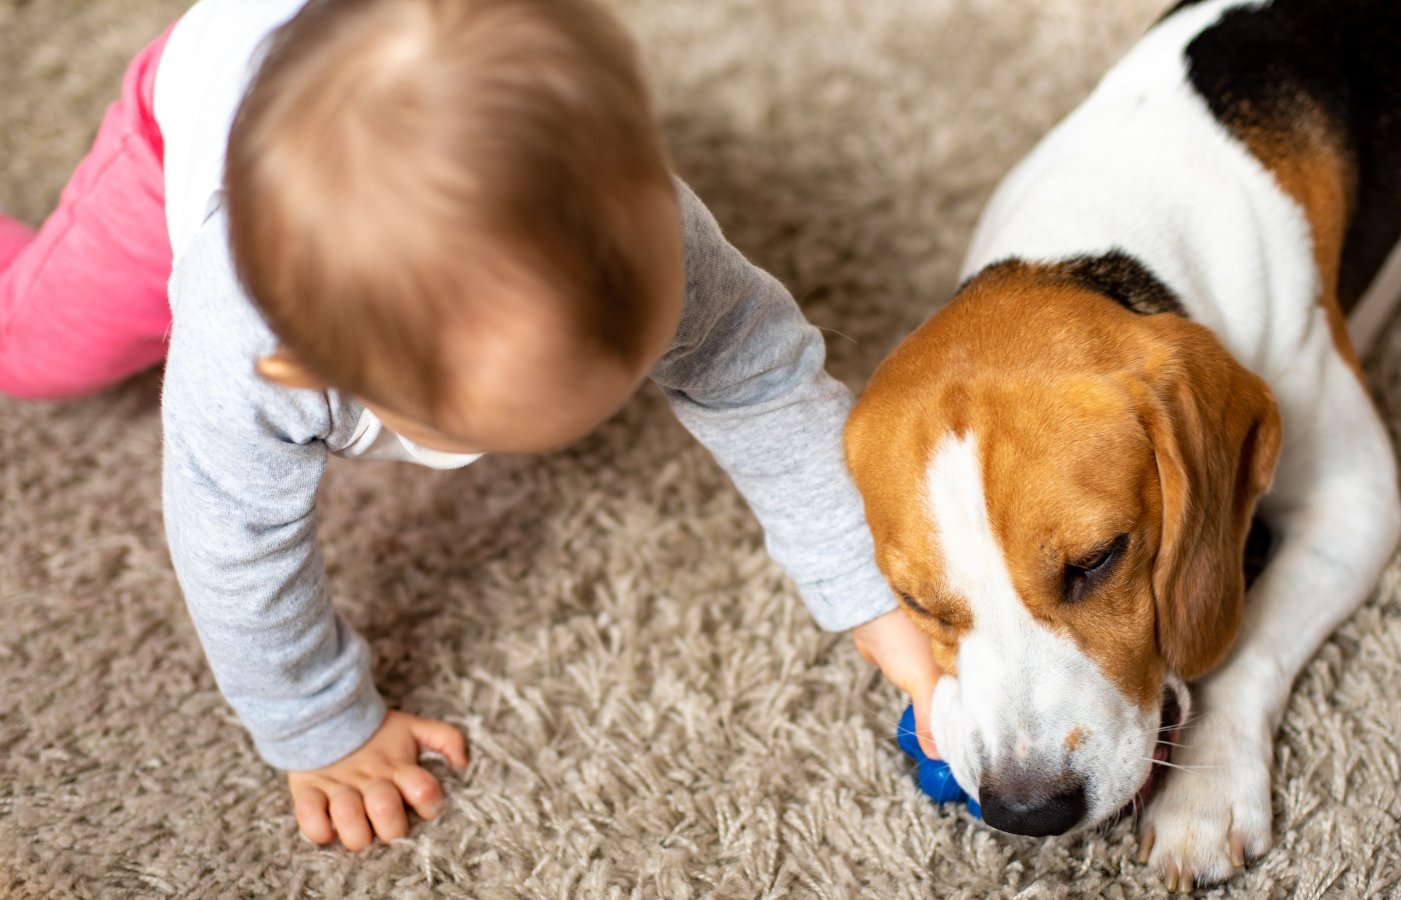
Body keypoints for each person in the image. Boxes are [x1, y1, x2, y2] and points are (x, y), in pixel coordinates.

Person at [0, 0, 941, 850]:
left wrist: (870, 589)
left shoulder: (646, 220)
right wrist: (322, 729)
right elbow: (231, 544)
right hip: (198, 103)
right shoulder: (246, 335)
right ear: (312, 374)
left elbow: (757, 375)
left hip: (425, 77)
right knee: (37, 349)